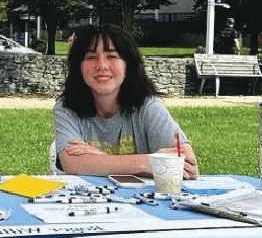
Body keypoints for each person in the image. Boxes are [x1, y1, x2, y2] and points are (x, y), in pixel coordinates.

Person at [53, 24, 198, 179]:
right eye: (91, 57)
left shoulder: (149, 107)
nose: (102, 66)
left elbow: (188, 168)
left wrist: (98, 160)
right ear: (79, 67)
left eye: (112, 56)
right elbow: (73, 164)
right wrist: (149, 163)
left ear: (128, 65)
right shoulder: (66, 108)